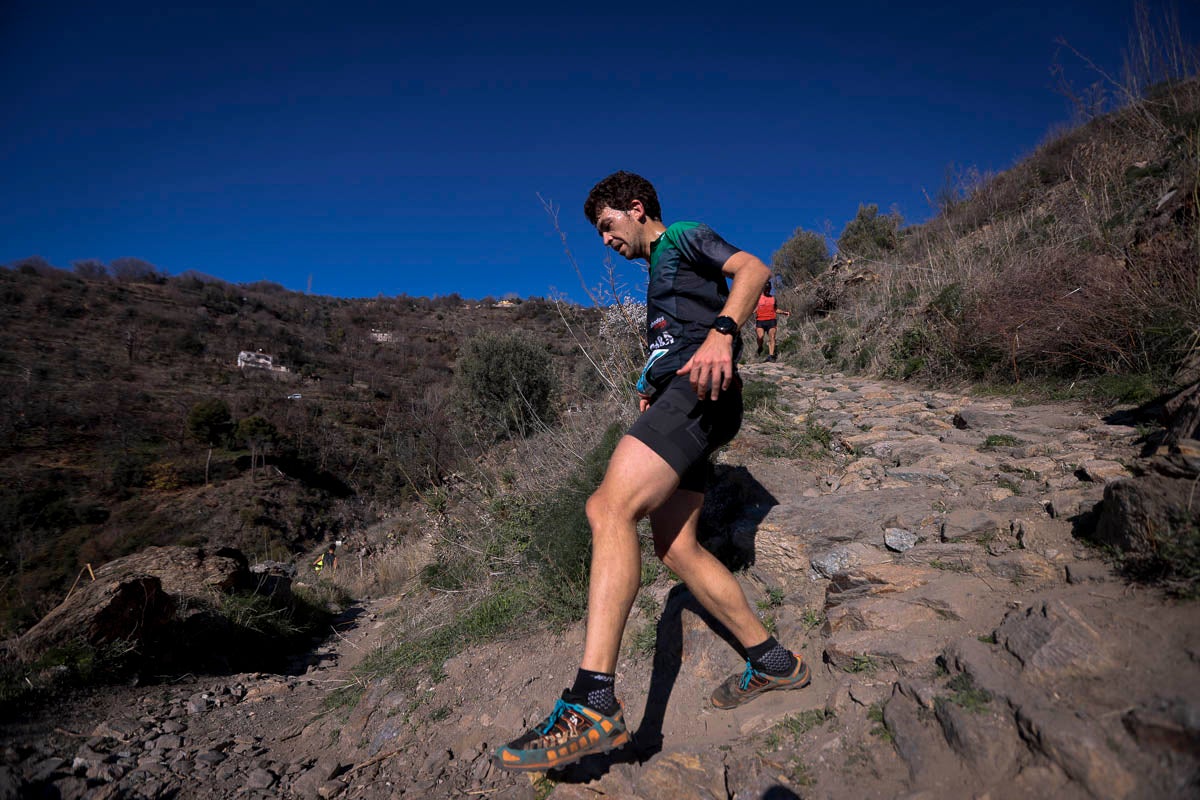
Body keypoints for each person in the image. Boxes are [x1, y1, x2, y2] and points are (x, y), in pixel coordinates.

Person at [493, 171, 809, 773]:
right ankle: (773, 662)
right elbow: (673, 336)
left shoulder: (684, 237)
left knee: (607, 508)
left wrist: (723, 336)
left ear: (636, 210)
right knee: (676, 546)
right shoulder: (659, 276)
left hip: (701, 388)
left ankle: (592, 703)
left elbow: (754, 270)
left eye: (608, 227)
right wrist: (648, 382)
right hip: (685, 394)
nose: (607, 241)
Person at [755, 282, 789, 362]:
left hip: (771, 320)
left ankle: (771, 356)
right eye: (766, 288)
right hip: (760, 320)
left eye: (769, 289)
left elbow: (775, 309)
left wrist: (784, 312)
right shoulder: (758, 298)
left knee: (772, 337)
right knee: (760, 337)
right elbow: (753, 308)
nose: (768, 290)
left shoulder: (773, 298)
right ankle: (760, 347)